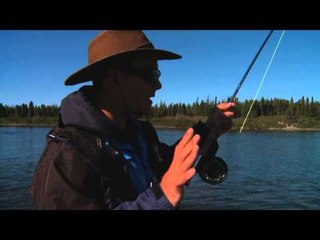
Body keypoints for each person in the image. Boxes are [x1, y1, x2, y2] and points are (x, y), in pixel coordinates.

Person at [31, 30, 235, 210]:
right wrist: (162, 196)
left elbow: (168, 165)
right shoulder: (65, 159)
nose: (158, 85)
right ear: (113, 77)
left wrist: (208, 129)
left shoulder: (141, 133)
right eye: (151, 74)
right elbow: (165, 187)